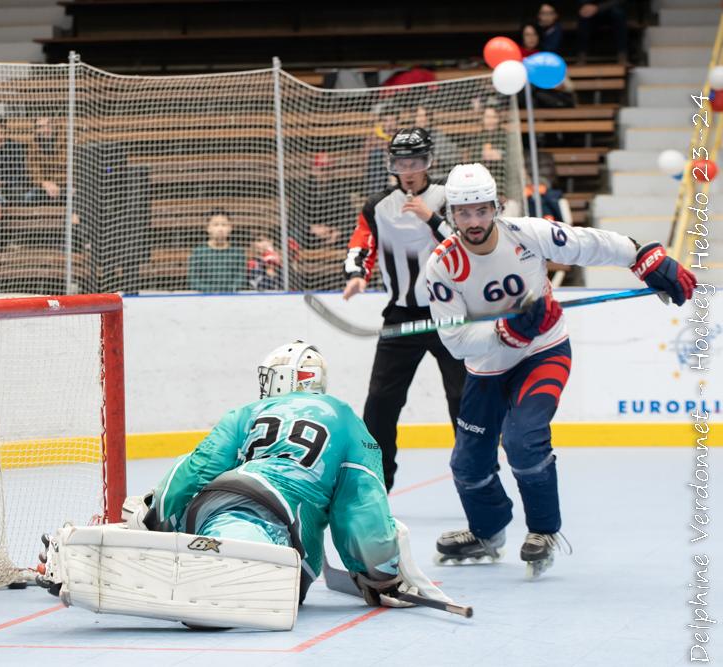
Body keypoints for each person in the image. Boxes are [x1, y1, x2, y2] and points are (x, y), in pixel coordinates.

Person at [36, 341, 454, 630]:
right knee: (245, 569)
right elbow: (360, 510)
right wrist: (380, 575)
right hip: (289, 529)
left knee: (205, 530)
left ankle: (109, 554)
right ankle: (219, 571)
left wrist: (156, 515)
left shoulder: (247, 411)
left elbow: (196, 468)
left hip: (220, 499)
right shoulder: (345, 418)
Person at [425, 163, 696, 577]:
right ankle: (487, 530)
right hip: (487, 369)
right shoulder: (442, 267)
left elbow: (587, 244)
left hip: (543, 352)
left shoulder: (526, 234)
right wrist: (507, 330)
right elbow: (455, 342)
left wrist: (640, 255)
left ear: (496, 207)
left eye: (482, 210)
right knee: (468, 465)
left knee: (523, 440)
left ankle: (543, 531)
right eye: (464, 213)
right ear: (452, 217)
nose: (475, 221)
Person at [343, 128, 467, 491]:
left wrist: (432, 217)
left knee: (462, 398)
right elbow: (361, 245)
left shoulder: (449, 198)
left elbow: (466, 247)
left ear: (429, 162)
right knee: (380, 402)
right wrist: (356, 276)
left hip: (449, 315)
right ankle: (376, 482)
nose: (408, 170)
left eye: (415, 162)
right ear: (392, 166)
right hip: (400, 316)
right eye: (401, 163)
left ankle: (475, 472)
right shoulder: (378, 206)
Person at [187, 210, 246, 292]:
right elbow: (193, 280)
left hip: (231, 297)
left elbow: (241, 279)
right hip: (205, 298)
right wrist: (211, 291)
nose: (220, 229)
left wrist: (228, 291)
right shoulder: (198, 251)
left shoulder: (237, 252)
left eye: (224, 225)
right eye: (216, 225)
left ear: (230, 228)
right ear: (208, 228)